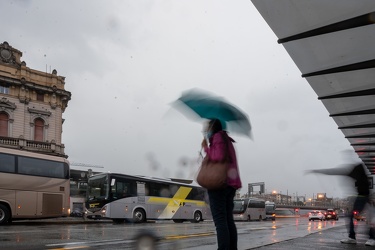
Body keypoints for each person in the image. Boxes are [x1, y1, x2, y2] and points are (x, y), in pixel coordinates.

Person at [306, 163, 375, 246]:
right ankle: (370, 238)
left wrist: (317, 171)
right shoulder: (363, 175)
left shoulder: (354, 173)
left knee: (353, 216)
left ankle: (356, 237)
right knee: (370, 218)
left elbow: (334, 171)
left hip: (361, 197)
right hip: (363, 197)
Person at [201, 119, 242, 250]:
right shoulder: (226, 139)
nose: (205, 131)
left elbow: (218, 156)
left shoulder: (218, 137)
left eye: (207, 128)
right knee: (228, 220)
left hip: (220, 184)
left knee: (220, 221)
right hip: (230, 184)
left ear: (213, 127)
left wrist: (206, 148)